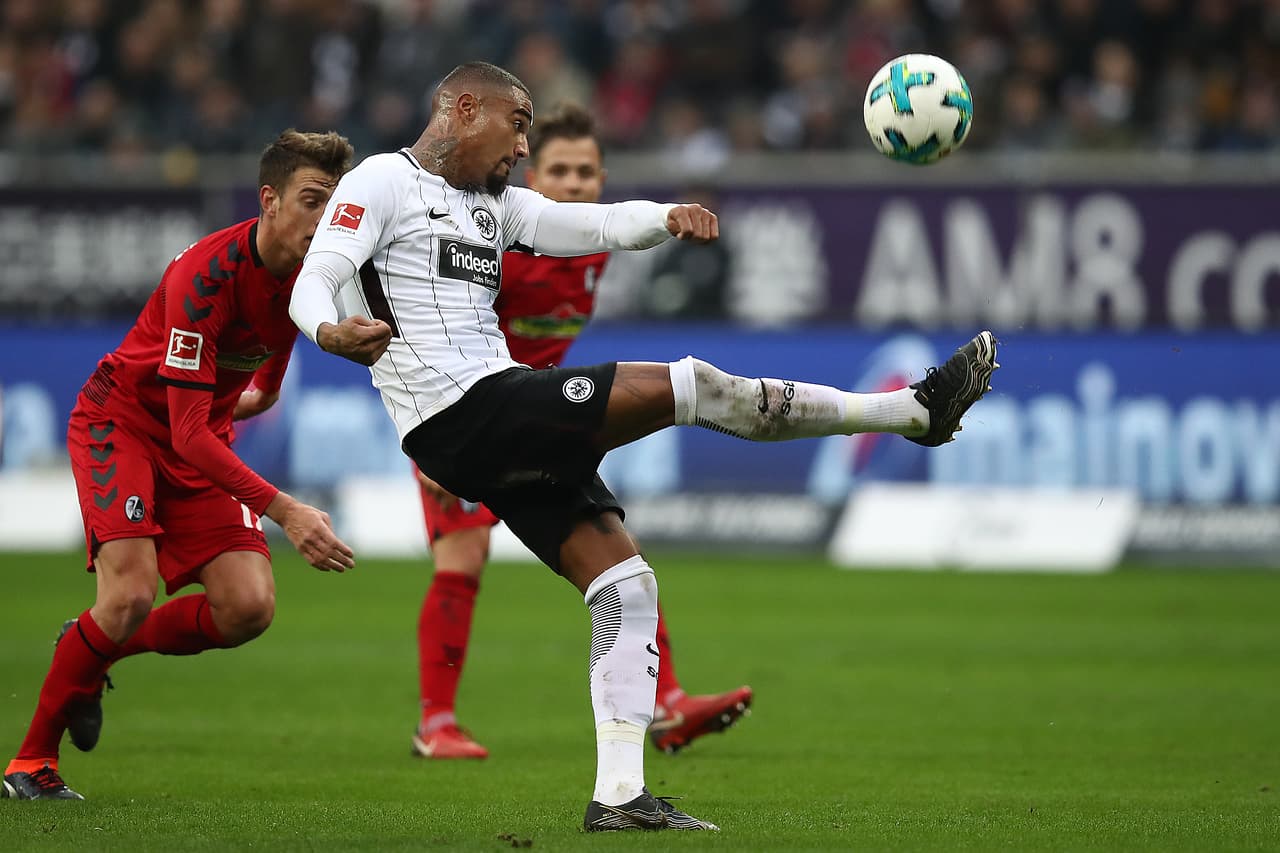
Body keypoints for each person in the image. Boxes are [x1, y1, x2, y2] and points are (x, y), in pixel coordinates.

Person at [289, 62, 997, 832]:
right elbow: (314, 278)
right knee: (691, 383)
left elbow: (588, 225)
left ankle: (621, 795)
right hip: (459, 410)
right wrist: (328, 330)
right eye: (517, 123)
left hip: (491, 415)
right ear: (463, 108)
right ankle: (910, 412)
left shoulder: (491, 206)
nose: (524, 146)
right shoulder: (381, 183)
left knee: (625, 585)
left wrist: (667, 216)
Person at [2, 130, 379, 802]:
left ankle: (92, 646)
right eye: (312, 201)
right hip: (123, 425)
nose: (326, 220)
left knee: (247, 607)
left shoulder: (310, 277)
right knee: (130, 594)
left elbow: (262, 381)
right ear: (270, 200)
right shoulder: (204, 275)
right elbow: (185, 429)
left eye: (335, 205)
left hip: (196, 436)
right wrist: (285, 509)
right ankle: (31, 762)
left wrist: (336, 347)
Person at [408, 103, 752, 761]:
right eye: (558, 170)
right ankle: (437, 723)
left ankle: (668, 704)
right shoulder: (498, 244)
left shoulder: (592, 245)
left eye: (585, 172)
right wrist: (435, 446)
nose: (571, 183)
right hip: (464, 418)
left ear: (601, 180)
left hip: (538, 418)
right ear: (533, 176)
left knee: (618, 546)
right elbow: (426, 323)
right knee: (462, 558)